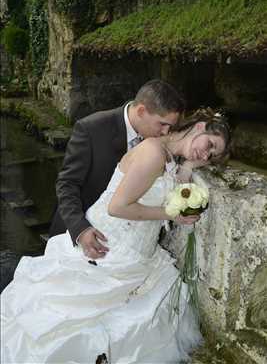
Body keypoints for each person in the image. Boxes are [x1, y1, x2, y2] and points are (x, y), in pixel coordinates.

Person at [1, 108, 231, 364]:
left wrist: (190, 163)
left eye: (212, 156)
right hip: (113, 244)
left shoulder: (169, 157)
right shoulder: (153, 152)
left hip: (140, 249)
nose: (207, 154)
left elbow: (175, 182)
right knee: (75, 317)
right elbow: (118, 207)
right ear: (199, 127)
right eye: (210, 145)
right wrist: (170, 214)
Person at [49, 79, 186, 260]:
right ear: (141, 111)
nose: (166, 133)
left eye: (170, 126)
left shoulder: (160, 142)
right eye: (162, 124)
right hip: (79, 234)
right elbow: (67, 184)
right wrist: (80, 229)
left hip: (129, 246)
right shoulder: (91, 128)